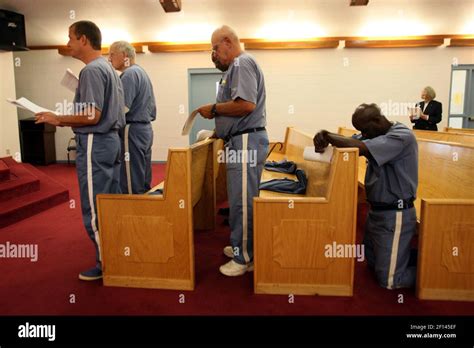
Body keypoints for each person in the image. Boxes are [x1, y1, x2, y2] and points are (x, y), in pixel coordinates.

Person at [35, 20, 125, 281]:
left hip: (96, 142)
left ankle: (106, 263)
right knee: (110, 201)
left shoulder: (92, 71)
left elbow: (92, 116)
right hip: (110, 141)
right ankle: (117, 254)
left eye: (70, 38)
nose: (67, 44)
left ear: (84, 39)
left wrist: (58, 118)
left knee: (95, 205)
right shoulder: (107, 69)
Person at [313, 103, 418, 289]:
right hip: (377, 212)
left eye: (365, 130)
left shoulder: (402, 136)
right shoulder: (375, 132)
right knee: (371, 263)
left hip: (396, 213)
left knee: (391, 281)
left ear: (377, 120)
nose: (364, 134)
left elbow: (359, 147)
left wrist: (328, 136)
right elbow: (349, 141)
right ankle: (407, 256)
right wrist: (325, 134)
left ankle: (435, 272)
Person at [197, 25, 269, 276]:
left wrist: (214, 109)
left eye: (215, 48)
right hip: (239, 141)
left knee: (243, 201)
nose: (214, 53)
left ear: (227, 42)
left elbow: (246, 105)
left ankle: (244, 258)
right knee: (238, 198)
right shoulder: (234, 69)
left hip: (246, 141)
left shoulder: (241, 64)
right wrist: (218, 131)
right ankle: (241, 246)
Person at [109, 41, 156, 194]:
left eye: (112, 54)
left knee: (131, 177)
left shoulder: (129, 74)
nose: (109, 59)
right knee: (142, 173)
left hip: (132, 129)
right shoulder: (141, 72)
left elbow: (122, 108)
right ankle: (144, 207)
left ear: (124, 55)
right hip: (144, 129)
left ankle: (134, 213)